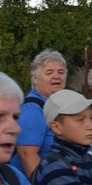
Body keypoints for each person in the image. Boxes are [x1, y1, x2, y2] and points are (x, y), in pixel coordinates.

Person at [11, 49, 68, 177]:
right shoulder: (32, 110)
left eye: (61, 72)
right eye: (49, 72)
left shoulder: (56, 106)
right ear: (35, 79)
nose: (56, 76)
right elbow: (26, 154)